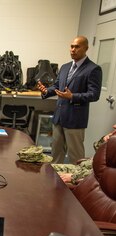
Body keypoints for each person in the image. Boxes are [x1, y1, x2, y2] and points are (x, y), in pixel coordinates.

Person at [37, 36, 102, 164]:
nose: (73, 49)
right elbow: (57, 86)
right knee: (55, 153)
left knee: (76, 157)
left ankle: (77, 183)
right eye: (72, 46)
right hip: (59, 117)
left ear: (86, 48)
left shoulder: (93, 69)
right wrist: (46, 91)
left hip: (75, 120)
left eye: (77, 47)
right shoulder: (65, 67)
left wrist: (73, 96)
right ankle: (55, 180)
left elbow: (94, 94)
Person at [52, 124, 116, 184]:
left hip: (84, 175)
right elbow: (97, 146)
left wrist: (73, 177)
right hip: (80, 168)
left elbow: (100, 173)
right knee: (47, 169)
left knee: (49, 177)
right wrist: (105, 140)